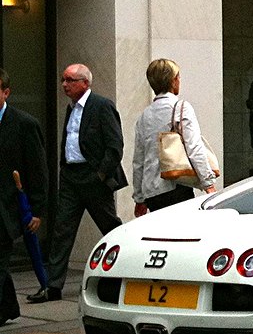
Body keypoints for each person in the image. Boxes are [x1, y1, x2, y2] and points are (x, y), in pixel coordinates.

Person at [27, 64, 127, 304]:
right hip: (71, 178)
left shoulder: (102, 106)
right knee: (62, 230)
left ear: (85, 83)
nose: (64, 85)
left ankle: (127, 271)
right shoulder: (71, 109)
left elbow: (115, 146)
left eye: (70, 80)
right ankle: (52, 286)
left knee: (110, 228)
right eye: (63, 80)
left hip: (93, 178)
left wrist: (100, 176)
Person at [132, 58, 217, 217]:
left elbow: (138, 160)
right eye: (178, 77)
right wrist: (208, 184)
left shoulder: (144, 116)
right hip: (176, 185)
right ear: (173, 81)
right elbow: (194, 147)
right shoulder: (181, 108)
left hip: (151, 190)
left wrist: (139, 198)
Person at [0, 69, 47, 324]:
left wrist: (38, 210)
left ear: (6, 93)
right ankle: (7, 307)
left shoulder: (25, 124)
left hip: (7, 207)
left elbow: (38, 170)